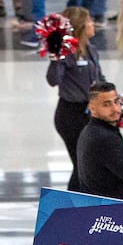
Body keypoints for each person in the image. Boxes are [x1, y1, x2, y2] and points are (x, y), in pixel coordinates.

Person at [47, 11, 103, 184]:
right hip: (70, 114)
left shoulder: (91, 49)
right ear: (79, 26)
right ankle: (73, 205)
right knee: (82, 165)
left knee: (89, 165)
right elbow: (53, 80)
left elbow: (100, 79)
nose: (92, 23)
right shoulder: (66, 52)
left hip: (90, 112)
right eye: (88, 20)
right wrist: (56, 56)